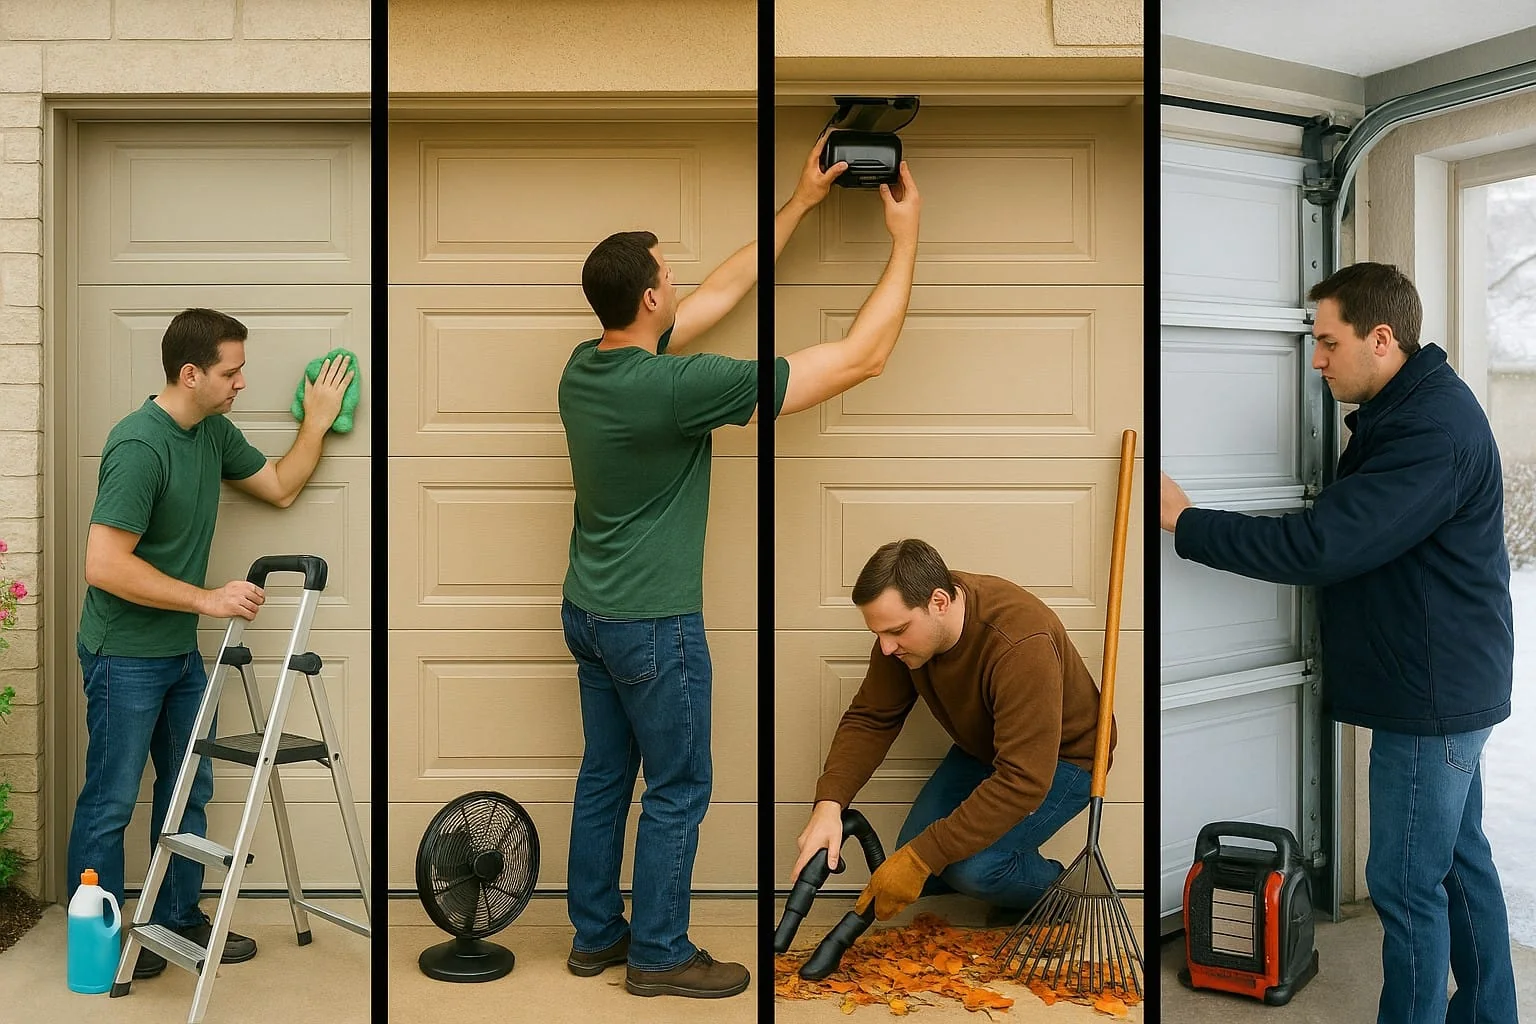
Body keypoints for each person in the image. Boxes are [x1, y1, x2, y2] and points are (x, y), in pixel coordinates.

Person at [557, 134, 921, 999]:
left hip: (589, 615)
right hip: (653, 626)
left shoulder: (587, 367)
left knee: (607, 775)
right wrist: (906, 238)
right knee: (679, 786)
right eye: (666, 274)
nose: (679, 280)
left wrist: (799, 200)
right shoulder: (680, 389)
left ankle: (595, 938)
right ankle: (658, 957)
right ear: (649, 298)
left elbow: (723, 290)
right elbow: (862, 358)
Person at [1161, 262, 1515, 1024]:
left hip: (1433, 699)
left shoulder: (1430, 433)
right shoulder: (1415, 412)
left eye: (1327, 341)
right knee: (1456, 866)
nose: (1316, 359)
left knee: (1406, 885)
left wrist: (1185, 523)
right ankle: (1489, 1013)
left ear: (1380, 338)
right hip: (1448, 684)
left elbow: (1320, 546)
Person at [67, 308, 354, 980]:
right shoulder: (140, 447)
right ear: (191, 373)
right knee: (110, 802)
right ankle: (97, 949)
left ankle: (176, 920)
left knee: (189, 790)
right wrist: (207, 599)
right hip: (122, 655)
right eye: (231, 371)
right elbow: (103, 565)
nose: (241, 383)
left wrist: (316, 420)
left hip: (177, 654)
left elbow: (280, 487)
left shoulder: (212, 433)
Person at [791, 538, 1114, 927]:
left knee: (968, 868)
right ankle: (978, 876)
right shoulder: (903, 634)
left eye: (896, 631)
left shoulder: (1020, 644)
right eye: (878, 634)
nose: (886, 648)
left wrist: (925, 856)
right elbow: (872, 717)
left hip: (1065, 760)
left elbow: (1023, 780)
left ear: (939, 602)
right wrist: (830, 803)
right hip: (987, 749)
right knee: (921, 853)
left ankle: (1061, 892)